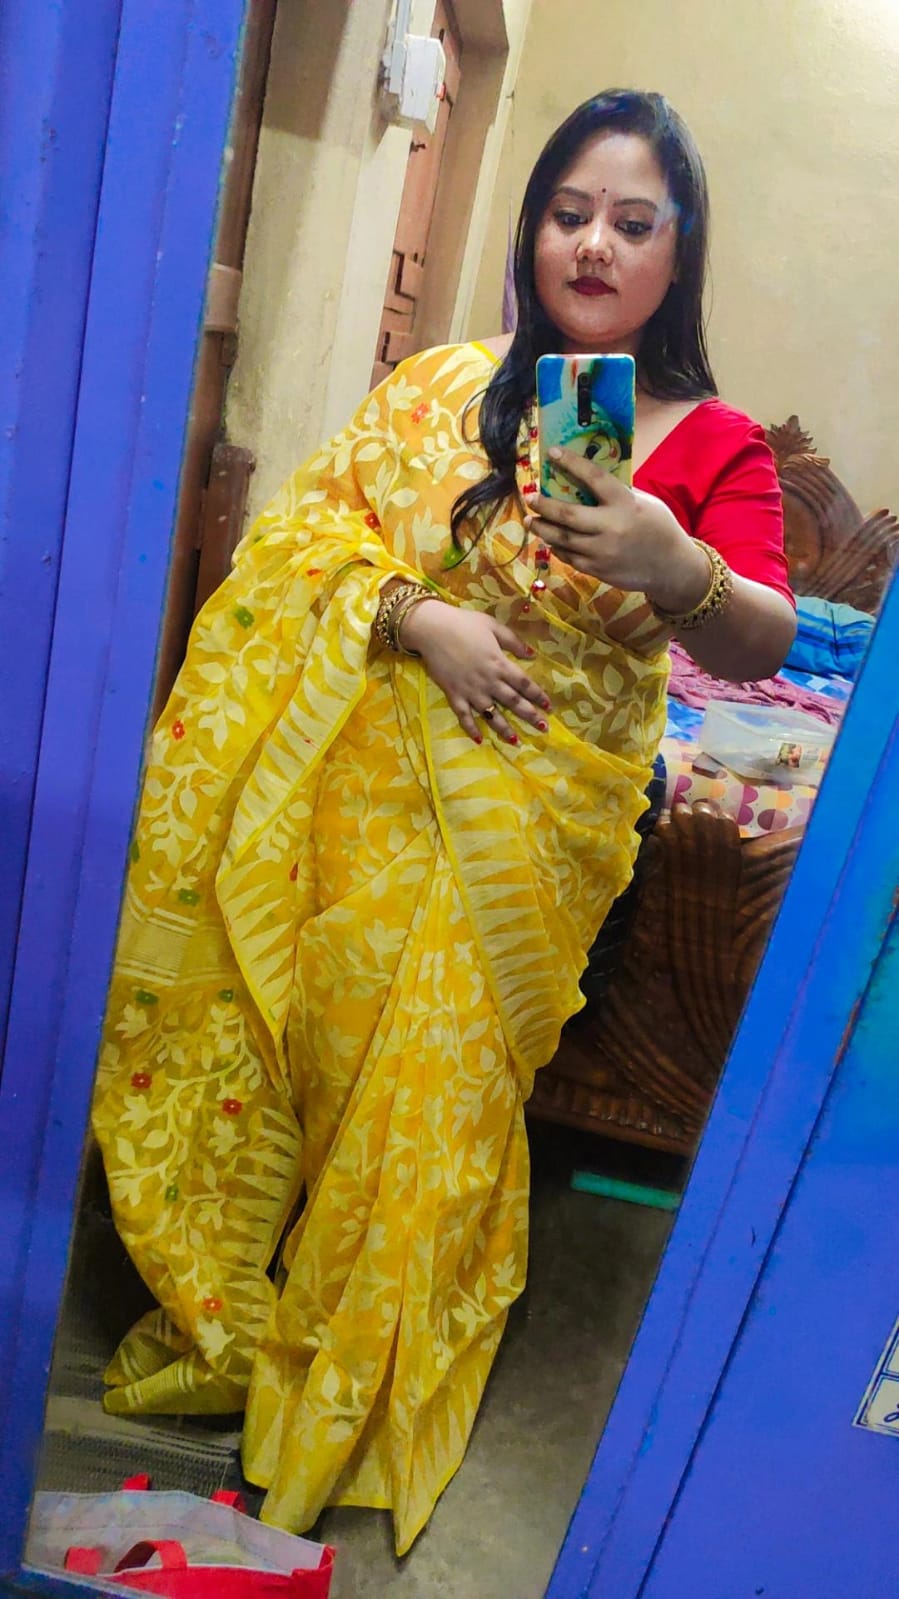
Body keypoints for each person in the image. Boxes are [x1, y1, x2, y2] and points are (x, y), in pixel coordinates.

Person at [92, 88, 796, 1555]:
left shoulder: (716, 441)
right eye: (569, 213)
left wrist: (675, 564)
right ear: (532, 230)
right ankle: (253, 1298)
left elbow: (762, 642)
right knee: (326, 1056)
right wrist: (423, 621)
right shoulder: (451, 390)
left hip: (534, 829)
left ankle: (352, 1389)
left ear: (680, 253)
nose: (594, 245)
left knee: (439, 1101)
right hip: (367, 796)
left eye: (633, 222)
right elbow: (311, 532)